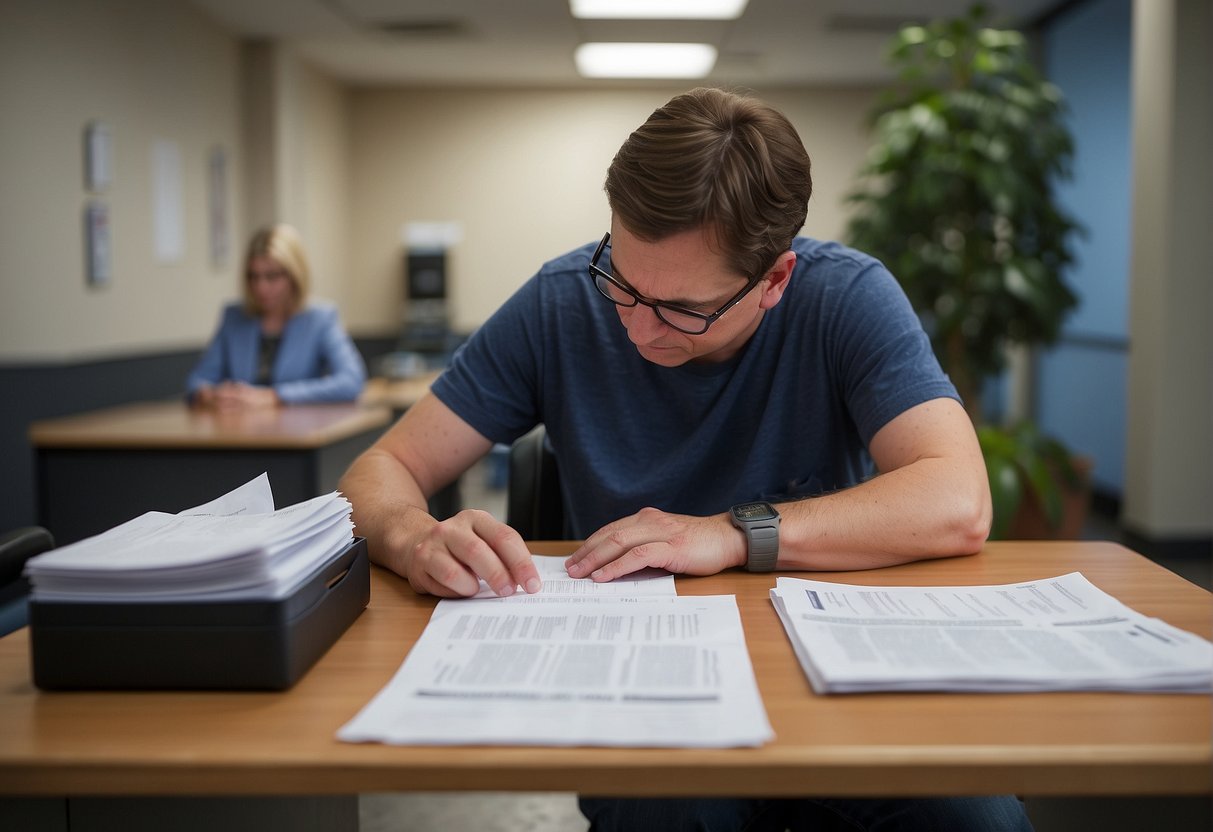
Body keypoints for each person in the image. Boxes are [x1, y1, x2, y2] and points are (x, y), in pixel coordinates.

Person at [339, 88, 1031, 831]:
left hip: (822, 671)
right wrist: (413, 536)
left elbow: (958, 499)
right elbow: (377, 473)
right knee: (669, 808)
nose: (638, 327)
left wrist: (731, 532)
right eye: (623, 283)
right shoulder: (562, 301)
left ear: (773, 281)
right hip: (641, 683)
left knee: (974, 818)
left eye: (681, 308)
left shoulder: (846, 299)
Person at [186, 223, 366, 408]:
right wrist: (211, 395)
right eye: (253, 277)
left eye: (272, 276)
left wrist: (275, 396)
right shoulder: (234, 317)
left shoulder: (320, 318)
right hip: (238, 430)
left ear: (295, 275)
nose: (261, 287)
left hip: (296, 431)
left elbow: (351, 381)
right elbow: (197, 381)